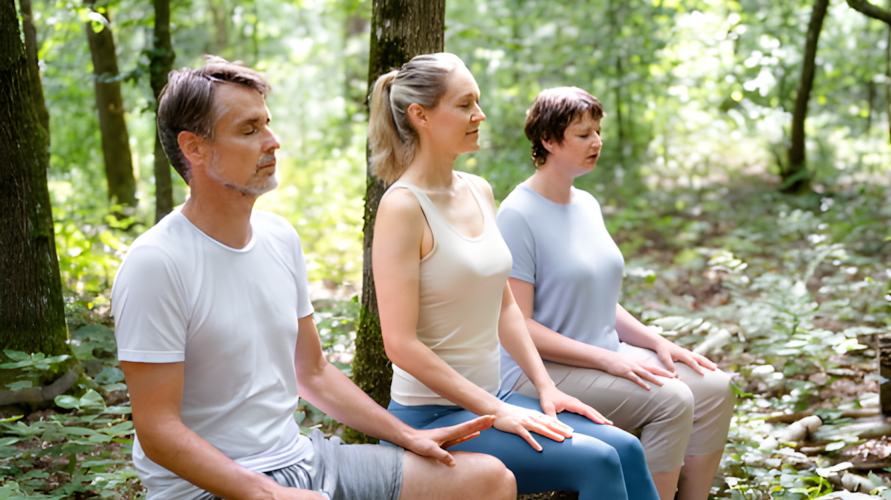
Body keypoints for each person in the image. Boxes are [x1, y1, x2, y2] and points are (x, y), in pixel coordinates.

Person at [111, 57, 517, 500]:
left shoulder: (279, 237)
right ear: (194, 148)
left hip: (304, 460)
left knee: (492, 481)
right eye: (249, 130)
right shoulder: (157, 263)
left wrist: (408, 435)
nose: (273, 142)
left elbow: (314, 372)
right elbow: (157, 429)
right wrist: (267, 494)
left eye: (267, 124)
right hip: (210, 489)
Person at [368, 53, 659, 500]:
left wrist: (546, 388)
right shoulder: (403, 207)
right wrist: (496, 409)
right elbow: (400, 345)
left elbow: (504, 306)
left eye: (477, 101)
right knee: (598, 460)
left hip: (495, 398)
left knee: (626, 448)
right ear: (420, 115)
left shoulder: (479, 190)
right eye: (464, 104)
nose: (479, 114)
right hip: (433, 416)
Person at [496, 87, 735, 500]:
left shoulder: (586, 204)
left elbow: (599, 298)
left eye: (597, 131)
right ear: (548, 140)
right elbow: (519, 324)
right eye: (583, 134)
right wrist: (610, 360)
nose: (596, 142)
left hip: (605, 353)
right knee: (672, 400)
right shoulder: (517, 214)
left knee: (715, 387)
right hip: (537, 372)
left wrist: (657, 342)